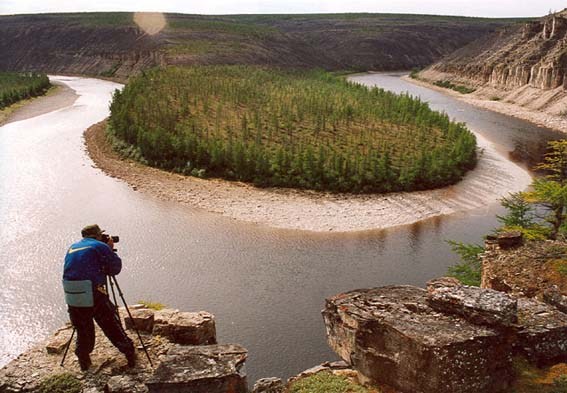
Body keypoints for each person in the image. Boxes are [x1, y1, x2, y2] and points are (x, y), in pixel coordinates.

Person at [62, 224, 136, 371]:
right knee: (110, 323)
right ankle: (129, 353)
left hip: (71, 294)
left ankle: (83, 359)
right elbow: (115, 268)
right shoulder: (99, 246)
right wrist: (109, 248)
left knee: (83, 328)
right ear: (97, 235)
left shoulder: (72, 247)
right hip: (92, 291)